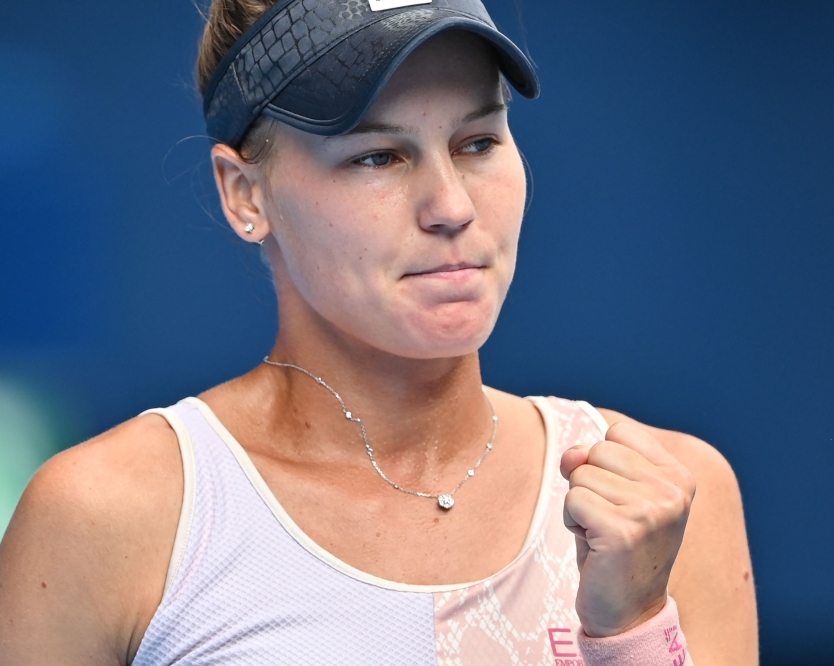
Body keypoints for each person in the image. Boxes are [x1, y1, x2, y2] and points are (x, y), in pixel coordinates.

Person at [0, 1, 757, 663]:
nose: (451, 205)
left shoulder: (669, 497)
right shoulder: (107, 518)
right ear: (244, 193)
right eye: (378, 156)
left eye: (478, 143)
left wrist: (631, 630)